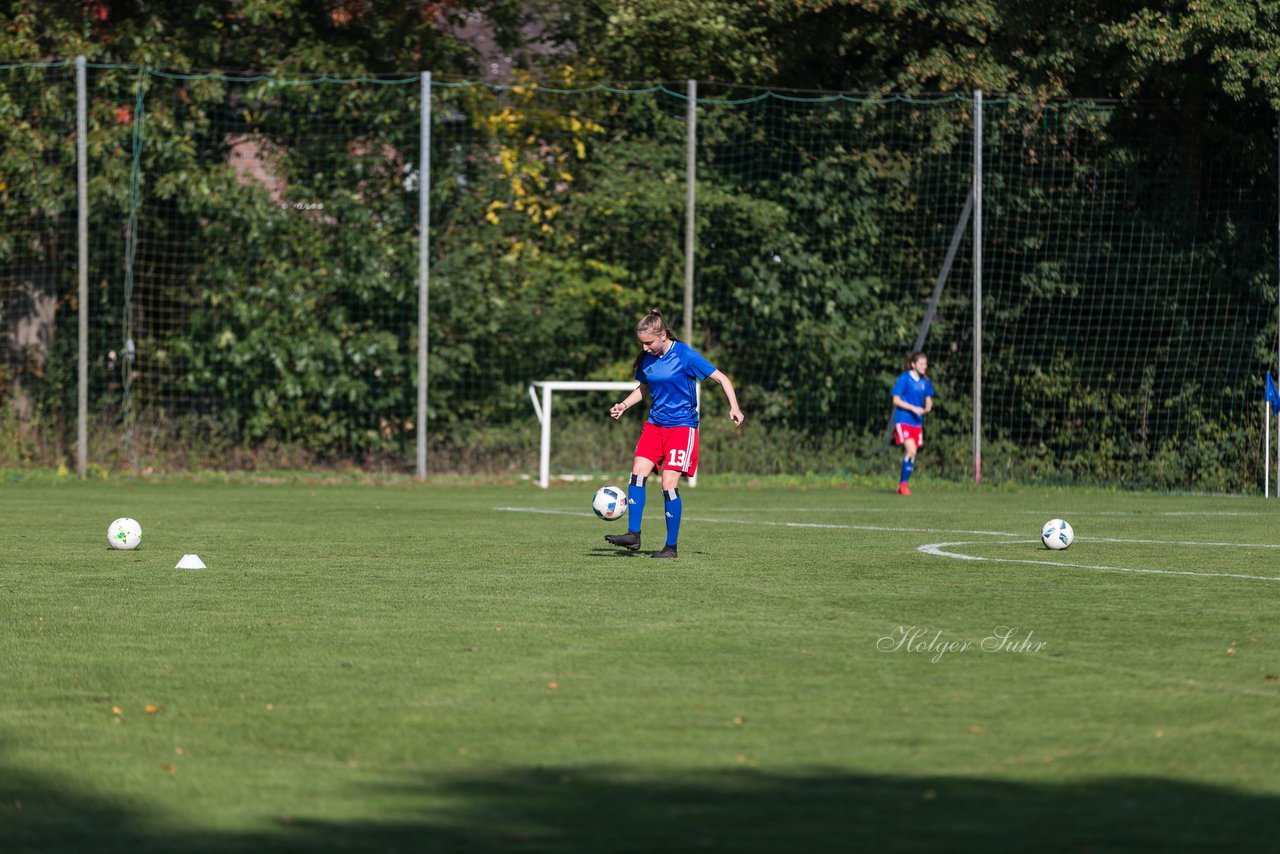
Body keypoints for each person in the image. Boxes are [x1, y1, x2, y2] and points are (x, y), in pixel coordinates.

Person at [604, 308, 744, 558]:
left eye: (649, 342)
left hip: (682, 427)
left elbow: (722, 378)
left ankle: (671, 547)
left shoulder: (685, 355)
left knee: (668, 484)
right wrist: (624, 405)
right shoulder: (647, 358)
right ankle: (633, 535)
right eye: (642, 343)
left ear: (664, 334)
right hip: (655, 425)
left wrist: (734, 407)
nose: (645, 348)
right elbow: (644, 388)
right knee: (637, 472)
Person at [891, 351, 933, 495]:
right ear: (913, 364)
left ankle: (902, 484)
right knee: (911, 450)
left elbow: (928, 398)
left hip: (917, 422)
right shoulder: (904, 379)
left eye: (925, 364)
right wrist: (913, 408)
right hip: (903, 419)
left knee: (912, 454)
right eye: (921, 364)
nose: (924, 366)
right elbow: (896, 400)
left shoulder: (925, 382)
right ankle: (903, 485)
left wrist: (928, 405)